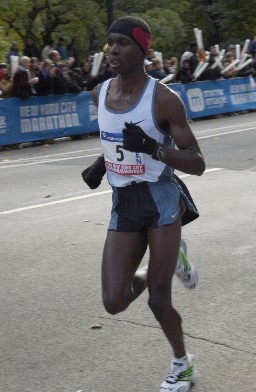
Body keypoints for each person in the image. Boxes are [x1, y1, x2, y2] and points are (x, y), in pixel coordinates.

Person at [83, 16, 205, 392]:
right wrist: (101, 163)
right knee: (114, 301)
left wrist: (154, 148)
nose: (113, 50)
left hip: (161, 198)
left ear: (142, 50)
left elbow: (197, 162)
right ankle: (170, 260)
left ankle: (182, 365)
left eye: (122, 43)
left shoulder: (164, 99)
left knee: (157, 297)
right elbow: (116, 138)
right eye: (110, 43)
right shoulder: (100, 93)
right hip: (125, 200)